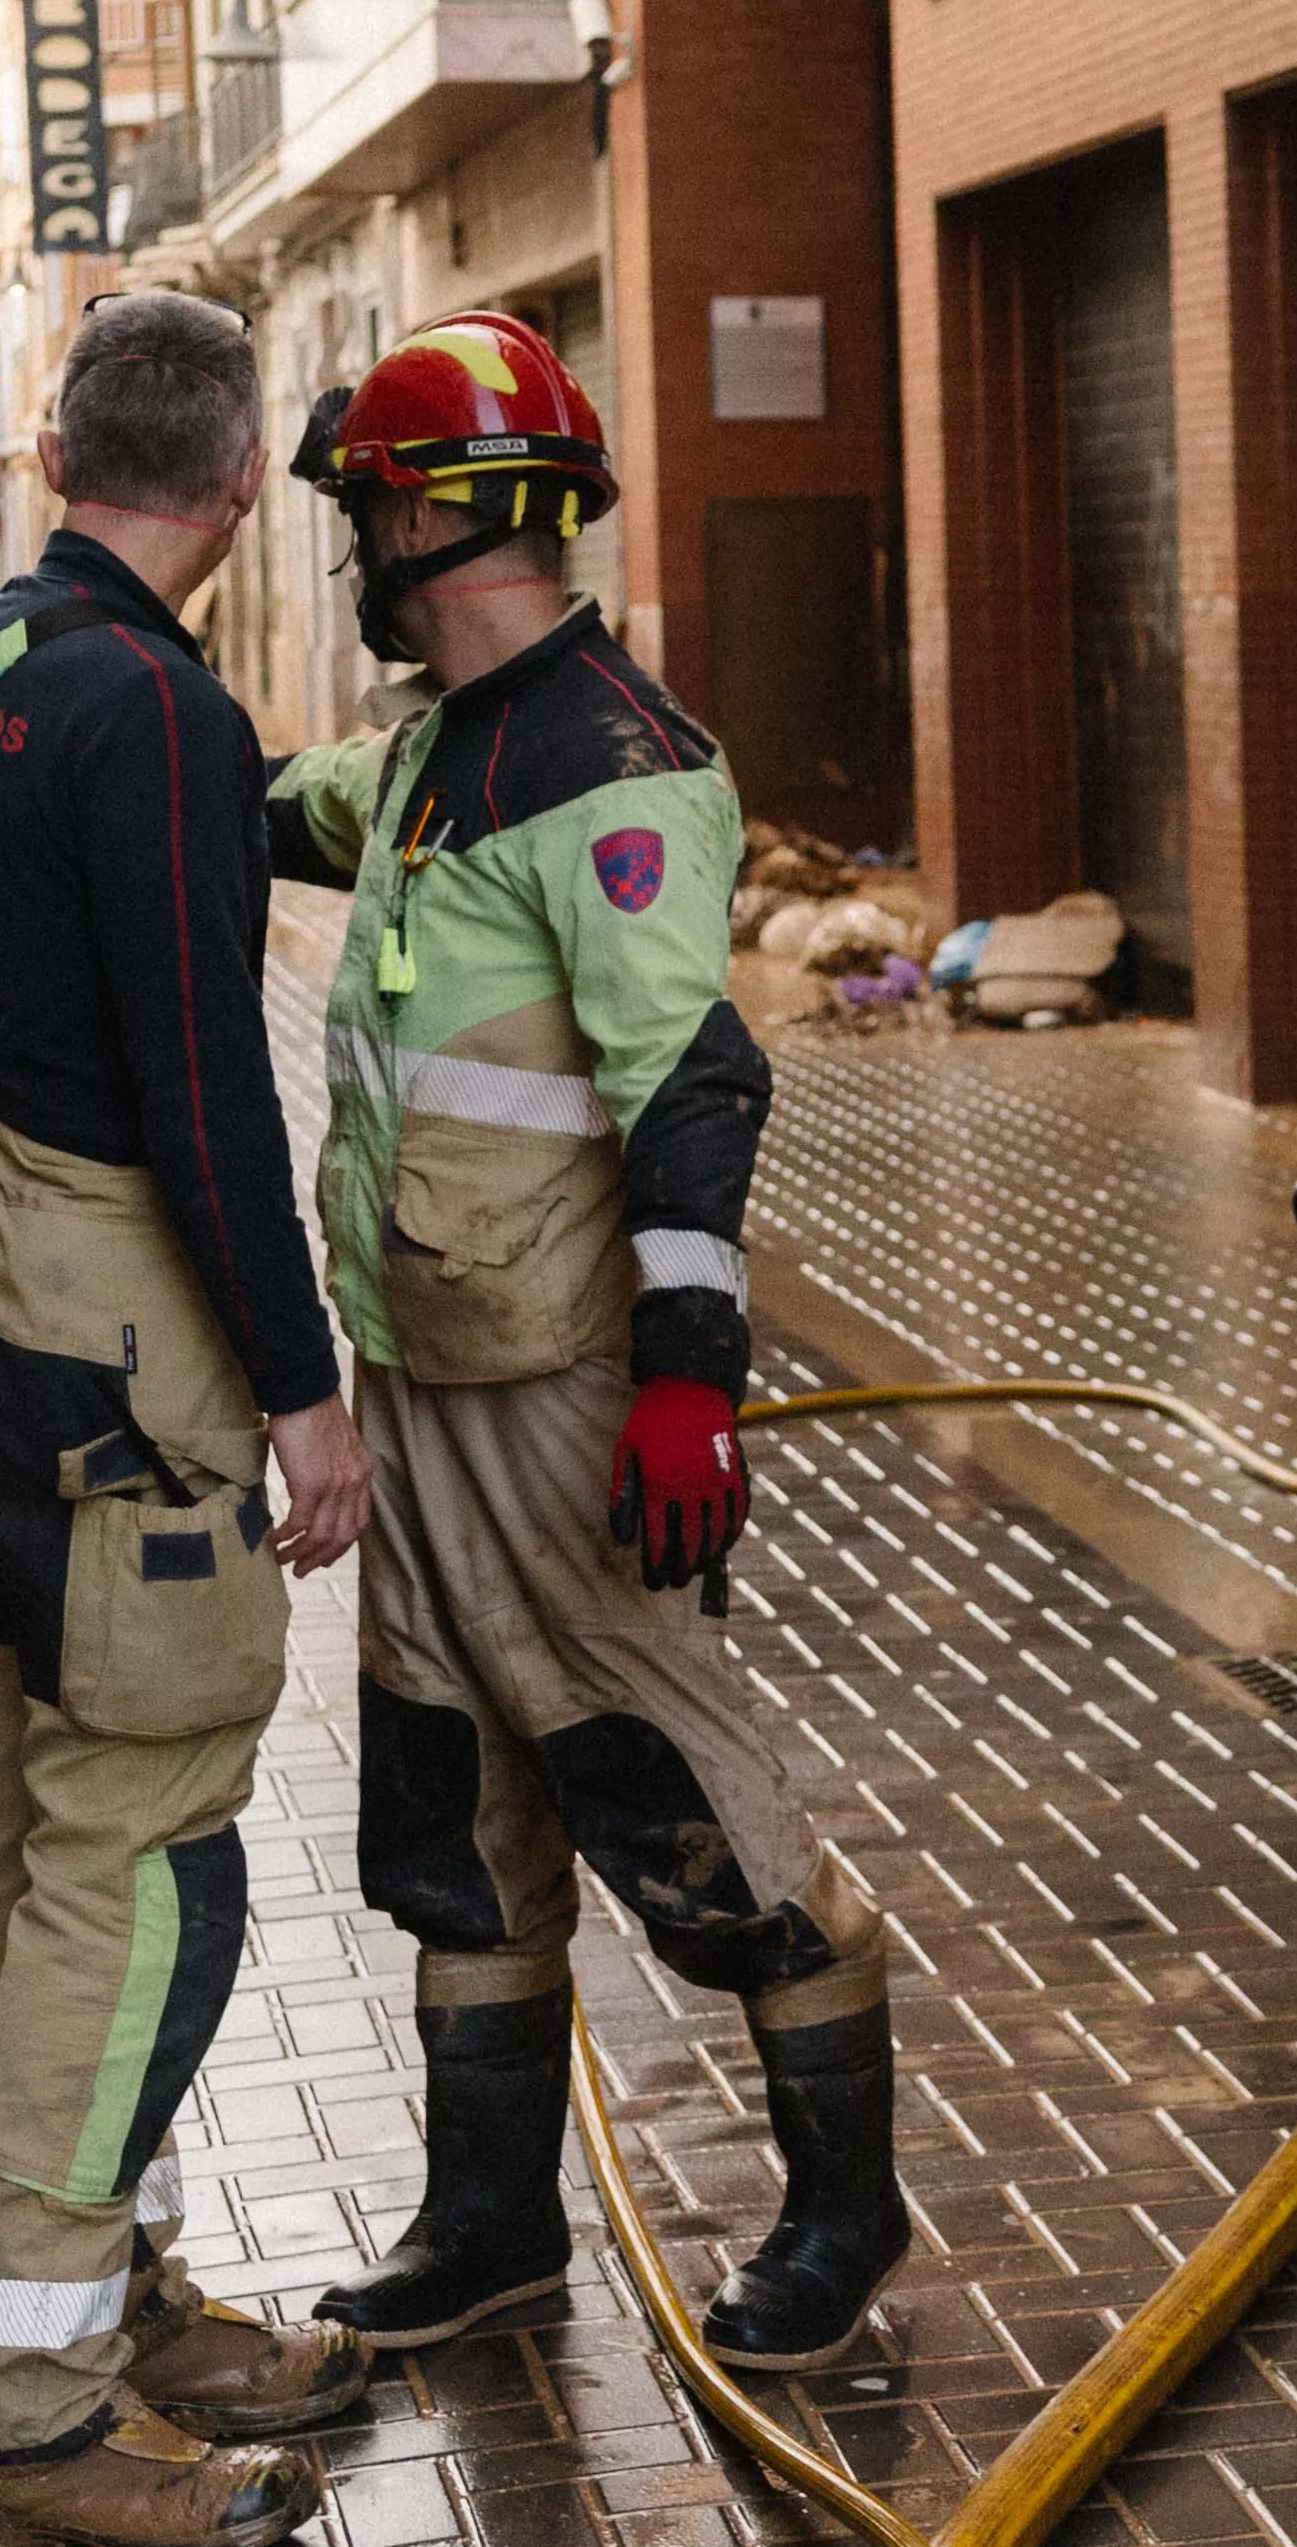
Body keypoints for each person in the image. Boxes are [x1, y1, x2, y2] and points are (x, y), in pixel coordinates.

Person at [258, 312, 907, 2369]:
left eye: (371, 497)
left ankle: (844, 2203)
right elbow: (292, 803)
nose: (358, 532)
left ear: (445, 508)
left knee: (673, 1797)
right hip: (428, 1368)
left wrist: (696, 1373)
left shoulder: (611, 767)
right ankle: (489, 2223)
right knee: (455, 1811)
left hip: (566, 1386)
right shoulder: (445, 744)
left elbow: (690, 1077)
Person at [0, 297, 386, 2547]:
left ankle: (105, 2294)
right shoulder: (160, 710)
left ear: (56, 441)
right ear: (242, 473)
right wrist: (303, 1387)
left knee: (51, 1831)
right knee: (144, 1860)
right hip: (121, 1392)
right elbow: (203, 1083)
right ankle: (13, 2412)